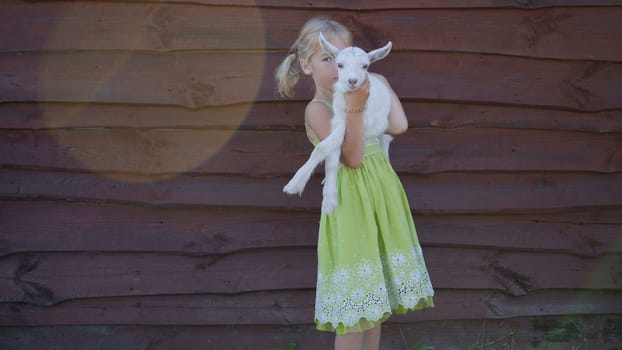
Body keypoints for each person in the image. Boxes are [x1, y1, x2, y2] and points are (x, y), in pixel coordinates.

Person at [275, 17, 434, 350]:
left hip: (381, 197)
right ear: (306, 65)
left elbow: (399, 125)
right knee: (356, 310)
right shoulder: (317, 110)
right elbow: (354, 157)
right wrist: (357, 104)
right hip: (351, 207)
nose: (337, 66)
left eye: (343, 57)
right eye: (326, 58)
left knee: (376, 308)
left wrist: (380, 84)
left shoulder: (365, 90)